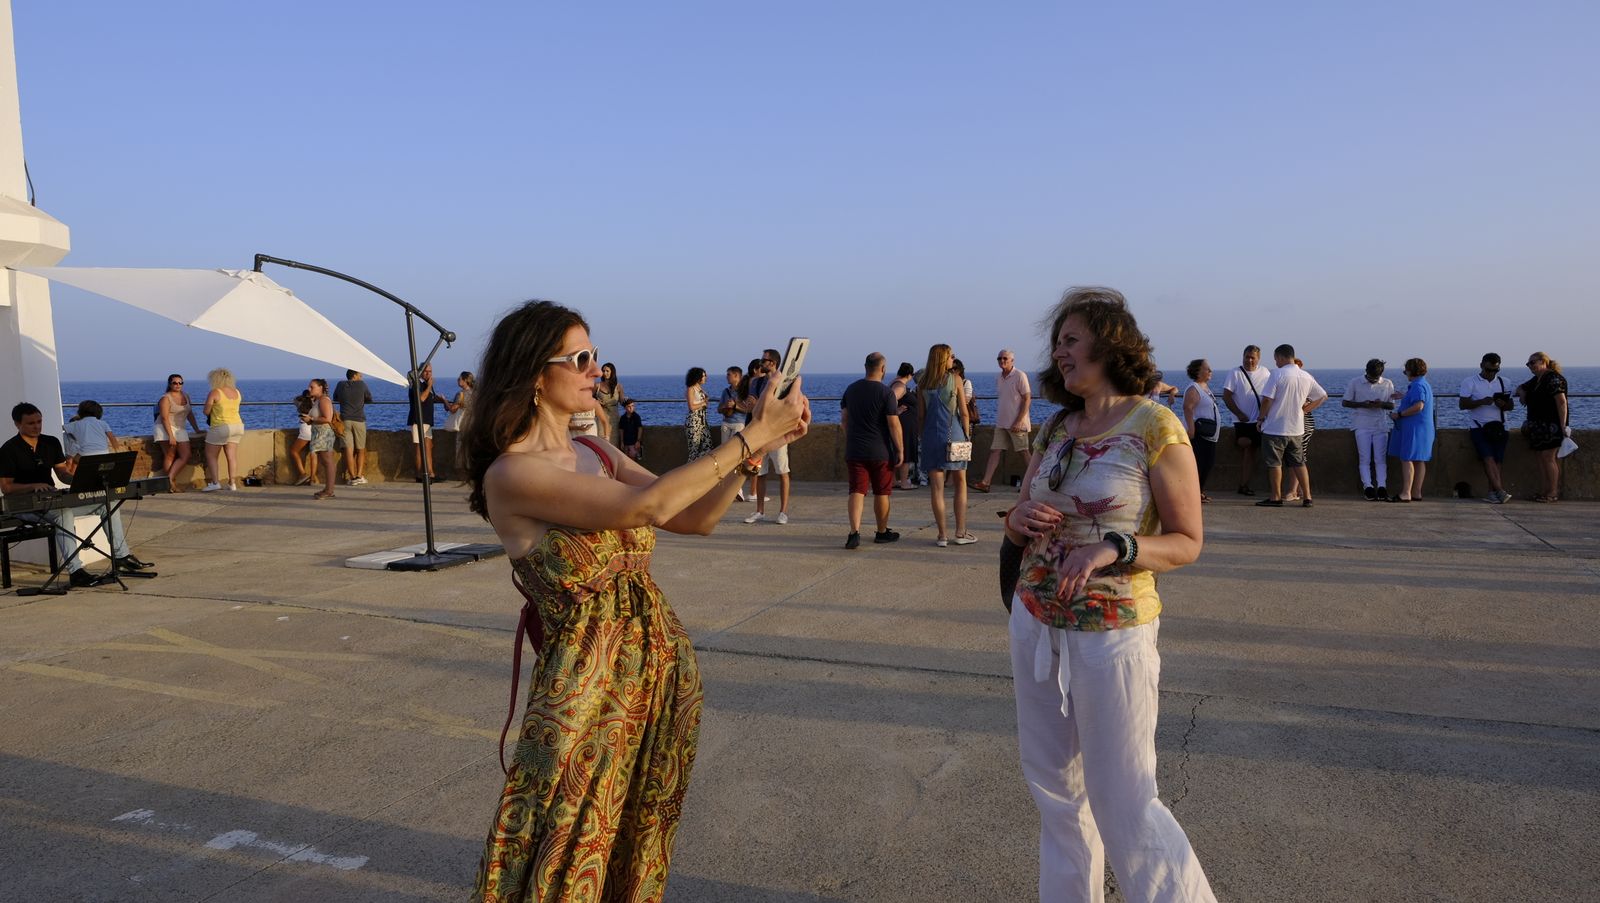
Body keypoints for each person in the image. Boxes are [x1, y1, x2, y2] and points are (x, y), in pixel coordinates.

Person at [460, 300, 808, 902]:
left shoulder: (597, 455)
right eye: (581, 358)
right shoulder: (511, 476)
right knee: (564, 847)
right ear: (534, 375)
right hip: (583, 696)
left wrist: (751, 455)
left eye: (594, 355)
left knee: (634, 840)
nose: (597, 369)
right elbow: (642, 510)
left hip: (656, 675)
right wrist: (755, 432)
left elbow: (693, 517)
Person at [1003, 287, 1214, 902]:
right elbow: (1017, 514)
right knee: (1056, 794)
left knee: (1125, 801)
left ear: (1109, 342)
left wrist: (1111, 548)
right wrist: (1021, 523)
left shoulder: (1155, 424)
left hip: (1112, 634)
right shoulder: (1056, 426)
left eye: (1071, 340)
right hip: (1036, 621)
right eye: (1058, 344)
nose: (1060, 353)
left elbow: (1187, 542)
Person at [1, 403, 146, 587]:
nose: (37, 426)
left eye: (39, 421)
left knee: (108, 503)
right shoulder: (9, 449)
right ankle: (75, 572)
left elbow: (62, 473)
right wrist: (34, 485)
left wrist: (84, 479)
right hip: (23, 506)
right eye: (31, 423)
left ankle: (121, 557)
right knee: (64, 514)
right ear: (17, 424)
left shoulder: (50, 442)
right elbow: (6, 487)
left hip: (50, 501)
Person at [839, 352, 903, 549]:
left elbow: (844, 421)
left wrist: (851, 440)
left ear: (865, 367)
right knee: (882, 492)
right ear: (883, 369)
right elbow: (893, 424)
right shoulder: (886, 393)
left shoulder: (851, 390)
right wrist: (900, 449)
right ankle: (882, 532)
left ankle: (854, 532)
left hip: (855, 449)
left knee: (856, 490)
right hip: (880, 451)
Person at [1254, 344, 1327, 508]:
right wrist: (1307, 409)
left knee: (1274, 463)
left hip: (1275, 427)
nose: (1276, 363)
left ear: (1280, 357)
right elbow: (1323, 396)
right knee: (1299, 462)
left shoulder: (1277, 374)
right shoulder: (1306, 376)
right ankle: (1307, 497)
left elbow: (1267, 400)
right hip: (1296, 429)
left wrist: (1260, 418)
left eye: (1276, 359)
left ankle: (1275, 497)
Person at [917, 343, 974, 547]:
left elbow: (921, 416)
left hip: (931, 437)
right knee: (960, 483)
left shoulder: (922, 384)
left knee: (937, 488)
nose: (953, 359)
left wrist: (922, 437)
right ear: (944, 358)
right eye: (951, 356)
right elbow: (964, 413)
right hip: (955, 435)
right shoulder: (956, 379)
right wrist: (967, 436)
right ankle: (960, 531)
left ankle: (942, 535)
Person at [744, 348, 794, 525]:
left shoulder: (784, 383)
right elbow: (751, 406)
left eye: (763, 360)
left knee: (782, 471)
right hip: (759, 434)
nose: (761, 363)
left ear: (772, 363)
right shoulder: (756, 383)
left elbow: (784, 406)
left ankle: (783, 512)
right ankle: (760, 511)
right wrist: (750, 405)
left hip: (776, 434)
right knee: (760, 472)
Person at [1458, 353, 1514, 504]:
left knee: (1497, 461)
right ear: (1482, 365)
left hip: (1500, 426)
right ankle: (1500, 491)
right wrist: (1481, 401)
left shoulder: (1505, 382)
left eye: (1495, 371)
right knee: (1487, 458)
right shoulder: (1470, 382)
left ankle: (1492, 493)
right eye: (1489, 370)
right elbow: (1463, 404)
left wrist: (1503, 404)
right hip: (1479, 426)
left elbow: (1511, 406)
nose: (1491, 374)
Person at [974, 349, 1032, 493]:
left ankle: (1035, 483)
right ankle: (985, 482)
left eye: (1005, 358)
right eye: (999, 358)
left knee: (1024, 452)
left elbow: (1027, 399)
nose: (1002, 361)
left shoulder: (1020, 376)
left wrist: (1019, 421)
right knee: (995, 451)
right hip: (1002, 422)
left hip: (1017, 423)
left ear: (1012, 360)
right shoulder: (999, 377)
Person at [1517, 351, 1569, 503]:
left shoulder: (1553, 378)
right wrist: (1522, 394)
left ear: (1543, 361)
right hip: (1538, 426)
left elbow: (1561, 402)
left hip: (1551, 426)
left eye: (1532, 363)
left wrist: (1563, 425)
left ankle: (1552, 492)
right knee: (1541, 458)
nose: (1530, 366)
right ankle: (1544, 491)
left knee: (1548, 458)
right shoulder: (1538, 379)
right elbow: (1520, 387)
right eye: (1528, 364)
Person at [1221, 345, 1271, 495]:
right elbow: (1226, 396)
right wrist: (1239, 413)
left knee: (1264, 452)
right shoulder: (1235, 373)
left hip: (1260, 421)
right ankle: (1243, 485)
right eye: (1246, 357)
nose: (1249, 360)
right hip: (1242, 422)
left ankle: (1259, 487)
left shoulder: (1265, 372)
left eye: (1252, 357)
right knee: (1246, 445)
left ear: (1258, 359)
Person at [1344, 359, 1396, 500]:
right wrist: (1362, 404)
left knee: (1380, 459)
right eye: (1372, 377)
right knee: (1364, 458)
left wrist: (1381, 404)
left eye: (1376, 378)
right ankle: (1367, 486)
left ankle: (1381, 486)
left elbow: (1391, 406)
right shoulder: (1355, 382)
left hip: (1380, 425)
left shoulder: (1387, 383)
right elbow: (1345, 402)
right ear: (1366, 371)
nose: (1374, 380)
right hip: (1361, 424)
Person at [1387, 358, 1435, 502]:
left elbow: (1418, 406)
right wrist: (1404, 396)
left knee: (1406, 458)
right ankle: (1416, 492)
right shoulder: (1424, 384)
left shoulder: (1417, 386)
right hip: (1424, 428)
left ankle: (1405, 493)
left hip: (1414, 428)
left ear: (1411, 371)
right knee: (1419, 460)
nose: (1405, 373)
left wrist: (1399, 414)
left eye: (1406, 370)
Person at [1181, 359, 1220, 502]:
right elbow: (1187, 407)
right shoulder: (1194, 388)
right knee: (1199, 464)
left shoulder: (1205, 388)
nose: (1210, 371)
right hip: (1199, 433)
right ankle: (1194, 493)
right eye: (1206, 369)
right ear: (1197, 371)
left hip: (1209, 435)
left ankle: (1199, 491)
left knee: (1207, 463)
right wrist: (1191, 429)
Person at [153, 373, 199, 491]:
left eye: (180, 382)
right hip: (165, 428)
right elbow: (164, 418)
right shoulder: (165, 398)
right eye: (175, 383)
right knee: (170, 455)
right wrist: (171, 436)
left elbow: (189, 414)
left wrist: (196, 429)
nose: (178, 385)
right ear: (170, 384)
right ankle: (171, 484)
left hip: (180, 429)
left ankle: (168, 479)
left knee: (186, 455)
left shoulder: (186, 396)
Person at [201, 367, 243, 492]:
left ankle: (215, 483)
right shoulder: (237, 392)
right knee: (231, 456)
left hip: (221, 426)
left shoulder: (215, 392)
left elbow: (206, 411)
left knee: (211, 455)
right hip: (237, 426)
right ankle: (232, 483)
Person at [1282, 358, 1317, 503]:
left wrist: (1305, 408)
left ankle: (1293, 491)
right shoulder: (1304, 379)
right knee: (1297, 456)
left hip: (1302, 423)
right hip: (1297, 423)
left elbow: (1319, 396)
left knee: (1296, 457)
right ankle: (1300, 489)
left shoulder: (1304, 380)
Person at [332, 369, 373, 485]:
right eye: (360, 374)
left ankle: (352, 477)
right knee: (360, 449)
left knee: (348, 450)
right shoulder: (362, 384)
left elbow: (335, 398)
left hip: (345, 420)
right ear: (354, 375)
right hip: (359, 420)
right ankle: (359, 475)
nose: (361, 376)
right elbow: (369, 398)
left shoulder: (340, 384)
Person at [301, 378, 339, 500]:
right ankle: (328, 489)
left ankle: (329, 491)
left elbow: (327, 418)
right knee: (326, 461)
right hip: (320, 433)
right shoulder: (318, 400)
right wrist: (309, 420)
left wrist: (311, 419)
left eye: (312, 387)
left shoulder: (323, 400)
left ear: (320, 388)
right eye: (309, 387)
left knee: (328, 461)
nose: (309, 389)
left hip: (324, 434)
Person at [716, 365, 747, 488]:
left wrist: (735, 406)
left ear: (736, 376)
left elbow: (748, 409)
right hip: (726, 424)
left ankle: (736, 487)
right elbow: (719, 409)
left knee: (736, 455)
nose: (726, 377)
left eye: (729, 374)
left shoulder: (745, 391)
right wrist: (726, 406)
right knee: (724, 454)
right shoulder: (726, 391)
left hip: (739, 424)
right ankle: (725, 483)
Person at [892, 362, 921, 490]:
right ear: (909, 374)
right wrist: (896, 411)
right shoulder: (901, 386)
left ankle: (894, 481)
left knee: (898, 452)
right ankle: (904, 482)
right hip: (905, 425)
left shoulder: (895, 382)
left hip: (904, 423)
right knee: (906, 452)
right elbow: (890, 399)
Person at [408, 363, 439, 481]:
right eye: (426, 371)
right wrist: (430, 386)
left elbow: (430, 397)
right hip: (418, 420)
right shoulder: (417, 384)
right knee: (419, 448)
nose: (428, 374)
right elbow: (421, 398)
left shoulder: (426, 384)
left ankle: (431, 474)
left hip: (427, 420)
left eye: (430, 371)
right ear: (420, 372)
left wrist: (442, 399)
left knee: (428, 447)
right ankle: (420, 475)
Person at [288, 390, 319, 486]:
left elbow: (294, 399)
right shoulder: (317, 404)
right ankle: (313, 478)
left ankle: (303, 474)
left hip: (305, 429)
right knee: (313, 454)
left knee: (294, 451)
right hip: (315, 428)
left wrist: (304, 396)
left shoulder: (300, 403)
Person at [683, 367, 712, 461]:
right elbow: (691, 407)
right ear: (698, 377)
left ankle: (698, 468)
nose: (705, 378)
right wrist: (703, 403)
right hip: (694, 421)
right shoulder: (691, 389)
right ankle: (688, 472)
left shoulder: (699, 388)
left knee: (708, 447)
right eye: (703, 376)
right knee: (693, 451)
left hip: (702, 421)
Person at [595, 363, 623, 441]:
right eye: (603, 371)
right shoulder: (597, 386)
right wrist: (596, 401)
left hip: (614, 418)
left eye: (607, 371)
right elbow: (589, 398)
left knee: (614, 441)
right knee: (602, 440)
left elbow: (622, 401)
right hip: (601, 416)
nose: (605, 373)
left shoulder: (618, 386)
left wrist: (627, 400)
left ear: (612, 372)